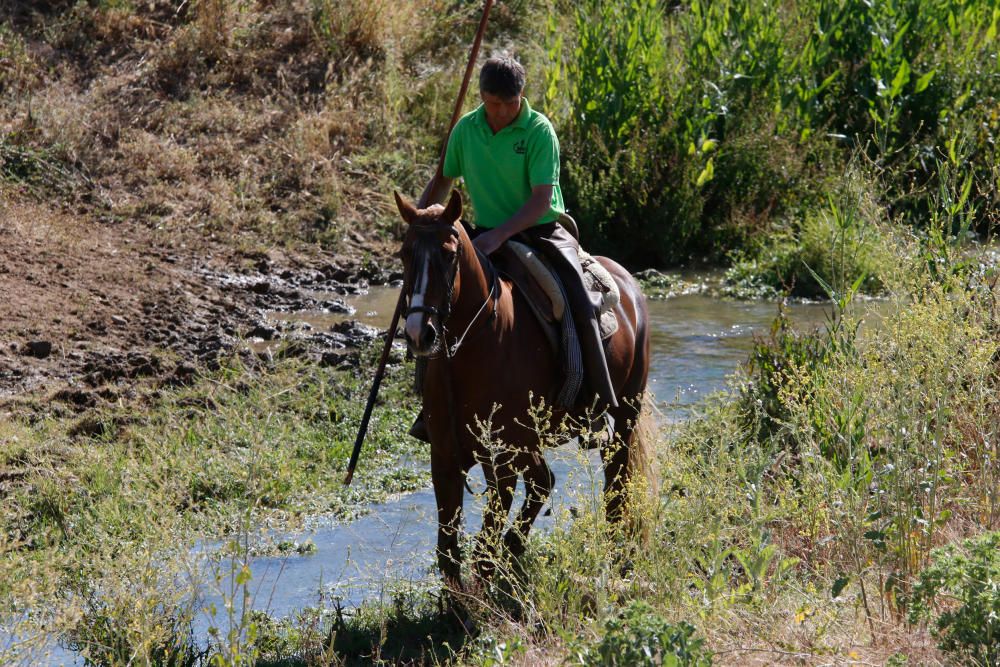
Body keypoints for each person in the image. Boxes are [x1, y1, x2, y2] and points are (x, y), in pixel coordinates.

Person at [415, 55, 617, 425]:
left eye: (511, 103)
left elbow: (541, 199)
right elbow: (443, 179)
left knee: (573, 296)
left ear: (521, 96)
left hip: (539, 230)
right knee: (429, 294)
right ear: (482, 96)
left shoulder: (539, 130)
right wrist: (420, 217)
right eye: (495, 103)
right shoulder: (466, 129)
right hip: (484, 233)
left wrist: (499, 236)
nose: (504, 111)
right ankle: (430, 405)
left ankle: (592, 398)